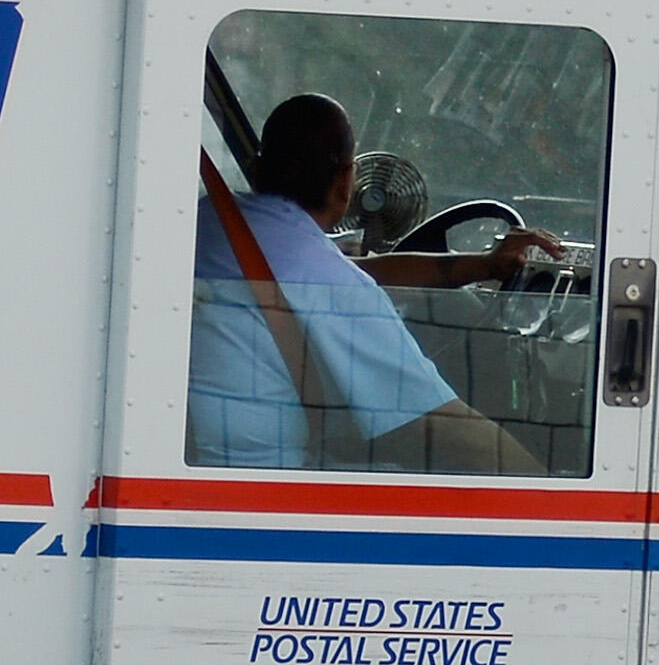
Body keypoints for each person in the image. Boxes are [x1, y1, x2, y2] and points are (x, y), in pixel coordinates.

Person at [188, 93, 557, 474]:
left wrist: (484, 266)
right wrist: (553, 497)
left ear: (257, 167)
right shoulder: (331, 285)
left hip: (202, 467)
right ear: (347, 179)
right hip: (261, 488)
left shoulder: (216, 220)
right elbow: (450, 430)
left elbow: (363, 270)